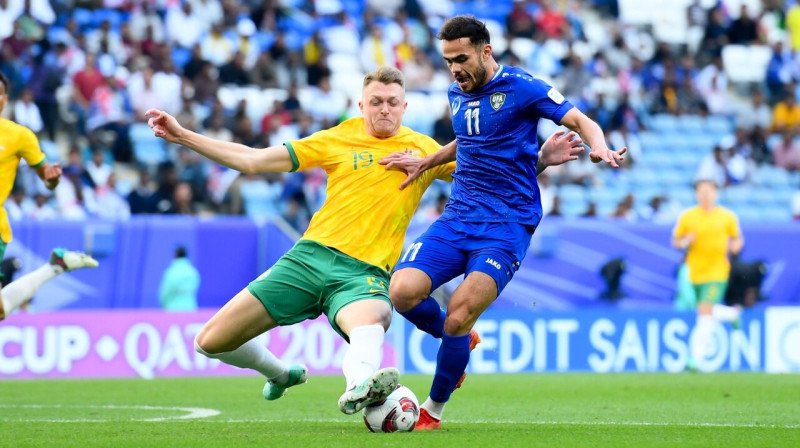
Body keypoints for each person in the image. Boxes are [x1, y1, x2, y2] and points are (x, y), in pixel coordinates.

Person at [145, 66, 583, 416]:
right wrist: (182, 135)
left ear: (405, 106)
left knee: (371, 322)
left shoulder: (423, 151)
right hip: (307, 259)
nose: (384, 110)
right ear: (361, 104)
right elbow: (254, 161)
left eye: (393, 103)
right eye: (376, 102)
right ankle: (280, 373)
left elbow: (491, 178)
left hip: (364, 275)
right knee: (210, 341)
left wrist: (541, 159)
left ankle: (359, 387)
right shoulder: (336, 139)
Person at [378, 16, 624, 430]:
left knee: (458, 313)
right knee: (401, 292)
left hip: (506, 227)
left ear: (485, 52)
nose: (454, 69)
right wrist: (426, 162)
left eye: (461, 58)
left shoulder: (522, 87)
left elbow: (582, 121)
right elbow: (471, 139)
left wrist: (599, 148)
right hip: (458, 217)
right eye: (447, 60)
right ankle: (459, 342)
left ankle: (432, 410)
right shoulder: (458, 92)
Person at [0, 72, 98, 321]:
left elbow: (47, 178)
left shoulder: (19, 136)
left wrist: (52, 178)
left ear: (5, 100)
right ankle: (55, 266)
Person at [672, 180, 744, 372]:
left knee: (704, 310)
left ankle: (695, 359)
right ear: (696, 194)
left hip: (717, 272)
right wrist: (686, 241)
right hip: (694, 273)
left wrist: (736, 246)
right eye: (701, 191)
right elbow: (676, 242)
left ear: (715, 193)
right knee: (706, 311)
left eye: (708, 191)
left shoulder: (727, 217)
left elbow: (737, 238)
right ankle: (732, 313)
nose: (705, 194)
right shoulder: (688, 217)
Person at [158, 246, 200, 311]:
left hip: (173, 310)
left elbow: (165, 294)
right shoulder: (193, 272)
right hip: (190, 309)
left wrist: (164, 306)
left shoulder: (171, 272)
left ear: (175, 255)